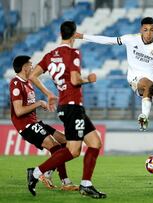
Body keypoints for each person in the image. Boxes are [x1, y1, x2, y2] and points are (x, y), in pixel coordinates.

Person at [74, 17, 153, 166]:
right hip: (136, 80)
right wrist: (83, 36)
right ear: (141, 29)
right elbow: (108, 40)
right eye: (145, 30)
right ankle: (144, 116)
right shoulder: (130, 39)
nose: (148, 33)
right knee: (148, 84)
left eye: (152, 30)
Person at [27, 21, 106, 198]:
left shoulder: (50, 55)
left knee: (95, 143)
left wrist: (48, 93)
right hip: (72, 107)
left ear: (60, 33)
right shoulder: (73, 53)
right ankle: (36, 173)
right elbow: (76, 79)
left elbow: (32, 76)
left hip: (66, 106)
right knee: (73, 151)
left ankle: (86, 184)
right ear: (74, 34)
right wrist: (89, 79)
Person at [10, 55, 78, 191]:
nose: (32, 67)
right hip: (26, 126)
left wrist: (48, 94)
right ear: (24, 67)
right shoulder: (16, 83)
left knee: (65, 141)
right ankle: (64, 181)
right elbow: (18, 111)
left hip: (35, 122)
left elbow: (35, 80)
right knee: (57, 148)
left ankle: (48, 174)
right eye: (30, 64)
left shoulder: (27, 81)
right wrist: (39, 103)